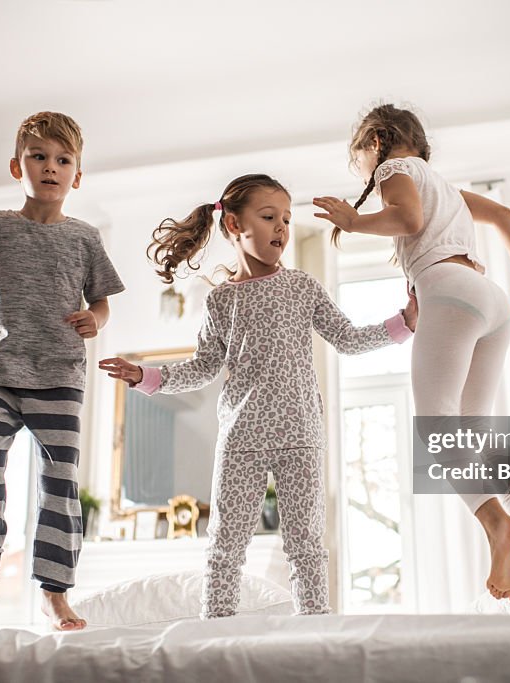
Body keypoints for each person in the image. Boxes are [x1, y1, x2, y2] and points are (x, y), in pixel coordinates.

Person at [99, 173, 416, 618]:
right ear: (233, 225)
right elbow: (203, 368)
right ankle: (217, 635)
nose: (282, 228)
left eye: (286, 218)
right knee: (225, 547)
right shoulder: (220, 302)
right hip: (242, 436)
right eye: (269, 217)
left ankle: (315, 633)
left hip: (300, 433)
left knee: (307, 545)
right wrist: (144, 377)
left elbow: (347, 339)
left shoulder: (302, 287)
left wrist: (405, 321)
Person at [313, 104, 510, 604]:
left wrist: (355, 220)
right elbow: (505, 214)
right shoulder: (444, 186)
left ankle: (498, 526)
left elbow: (408, 217)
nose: (363, 173)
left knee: (437, 425)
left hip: (450, 291)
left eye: (359, 161)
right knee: (474, 426)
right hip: (489, 297)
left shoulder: (394, 170)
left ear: (375, 143)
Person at [0, 111, 124, 630]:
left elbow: (102, 303)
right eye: (39, 157)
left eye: (63, 160)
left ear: (77, 175)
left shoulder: (85, 238)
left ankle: (54, 592)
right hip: (1, 375)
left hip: (59, 377)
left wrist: (93, 320)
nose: (50, 167)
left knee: (61, 482)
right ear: (18, 166)